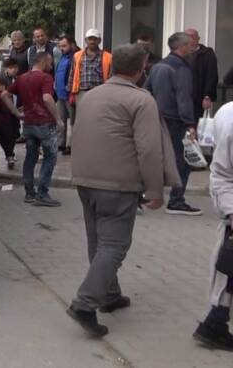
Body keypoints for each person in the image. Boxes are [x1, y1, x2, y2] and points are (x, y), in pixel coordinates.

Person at [66, 43, 168, 338]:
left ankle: (109, 295)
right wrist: (155, 189)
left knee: (98, 242)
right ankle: (85, 304)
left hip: (86, 180)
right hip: (118, 185)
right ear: (141, 69)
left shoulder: (92, 95)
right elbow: (149, 150)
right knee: (114, 246)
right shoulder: (141, 100)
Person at [146, 32, 202, 216]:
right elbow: (183, 97)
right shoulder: (181, 68)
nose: (193, 47)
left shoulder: (158, 66)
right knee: (183, 160)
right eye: (191, 45)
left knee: (154, 158)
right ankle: (176, 201)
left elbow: (146, 91)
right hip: (176, 120)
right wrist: (190, 124)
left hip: (156, 117)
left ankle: (143, 195)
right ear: (182, 47)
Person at [194, 100, 233, 350]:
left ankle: (215, 321)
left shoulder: (226, 110)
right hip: (229, 194)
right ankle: (215, 323)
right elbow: (223, 172)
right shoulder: (230, 118)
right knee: (228, 262)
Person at [3, 52, 64, 206]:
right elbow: (47, 98)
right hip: (44, 123)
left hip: (29, 124)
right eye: (50, 64)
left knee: (30, 158)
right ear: (43, 63)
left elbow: (4, 94)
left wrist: (16, 113)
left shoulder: (22, 78)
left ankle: (29, 193)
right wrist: (58, 119)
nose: (51, 67)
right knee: (50, 156)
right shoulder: (45, 78)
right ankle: (42, 193)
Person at [69, 28, 113, 118]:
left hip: (100, 93)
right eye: (90, 39)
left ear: (99, 40)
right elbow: (72, 74)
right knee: (81, 118)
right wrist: (71, 93)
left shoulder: (108, 57)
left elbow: (111, 76)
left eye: (95, 39)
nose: (92, 41)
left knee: (97, 117)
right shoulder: (77, 55)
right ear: (86, 40)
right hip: (81, 92)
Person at [187, 28, 219, 122]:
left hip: (199, 97)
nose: (189, 39)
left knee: (198, 124)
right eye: (186, 37)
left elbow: (212, 76)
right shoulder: (181, 53)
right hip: (184, 98)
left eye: (192, 37)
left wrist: (207, 96)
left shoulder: (207, 53)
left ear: (198, 39)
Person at [55, 36, 78, 155]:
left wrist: (72, 93)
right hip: (60, 95)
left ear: (72, 45)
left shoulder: (76, 57)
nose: (61, 48)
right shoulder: (62, 57)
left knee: (73, 122)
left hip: (70, 95)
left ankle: (71, 145)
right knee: (60, 121)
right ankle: (61, 143)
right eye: (60, 46)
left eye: (64, 46)